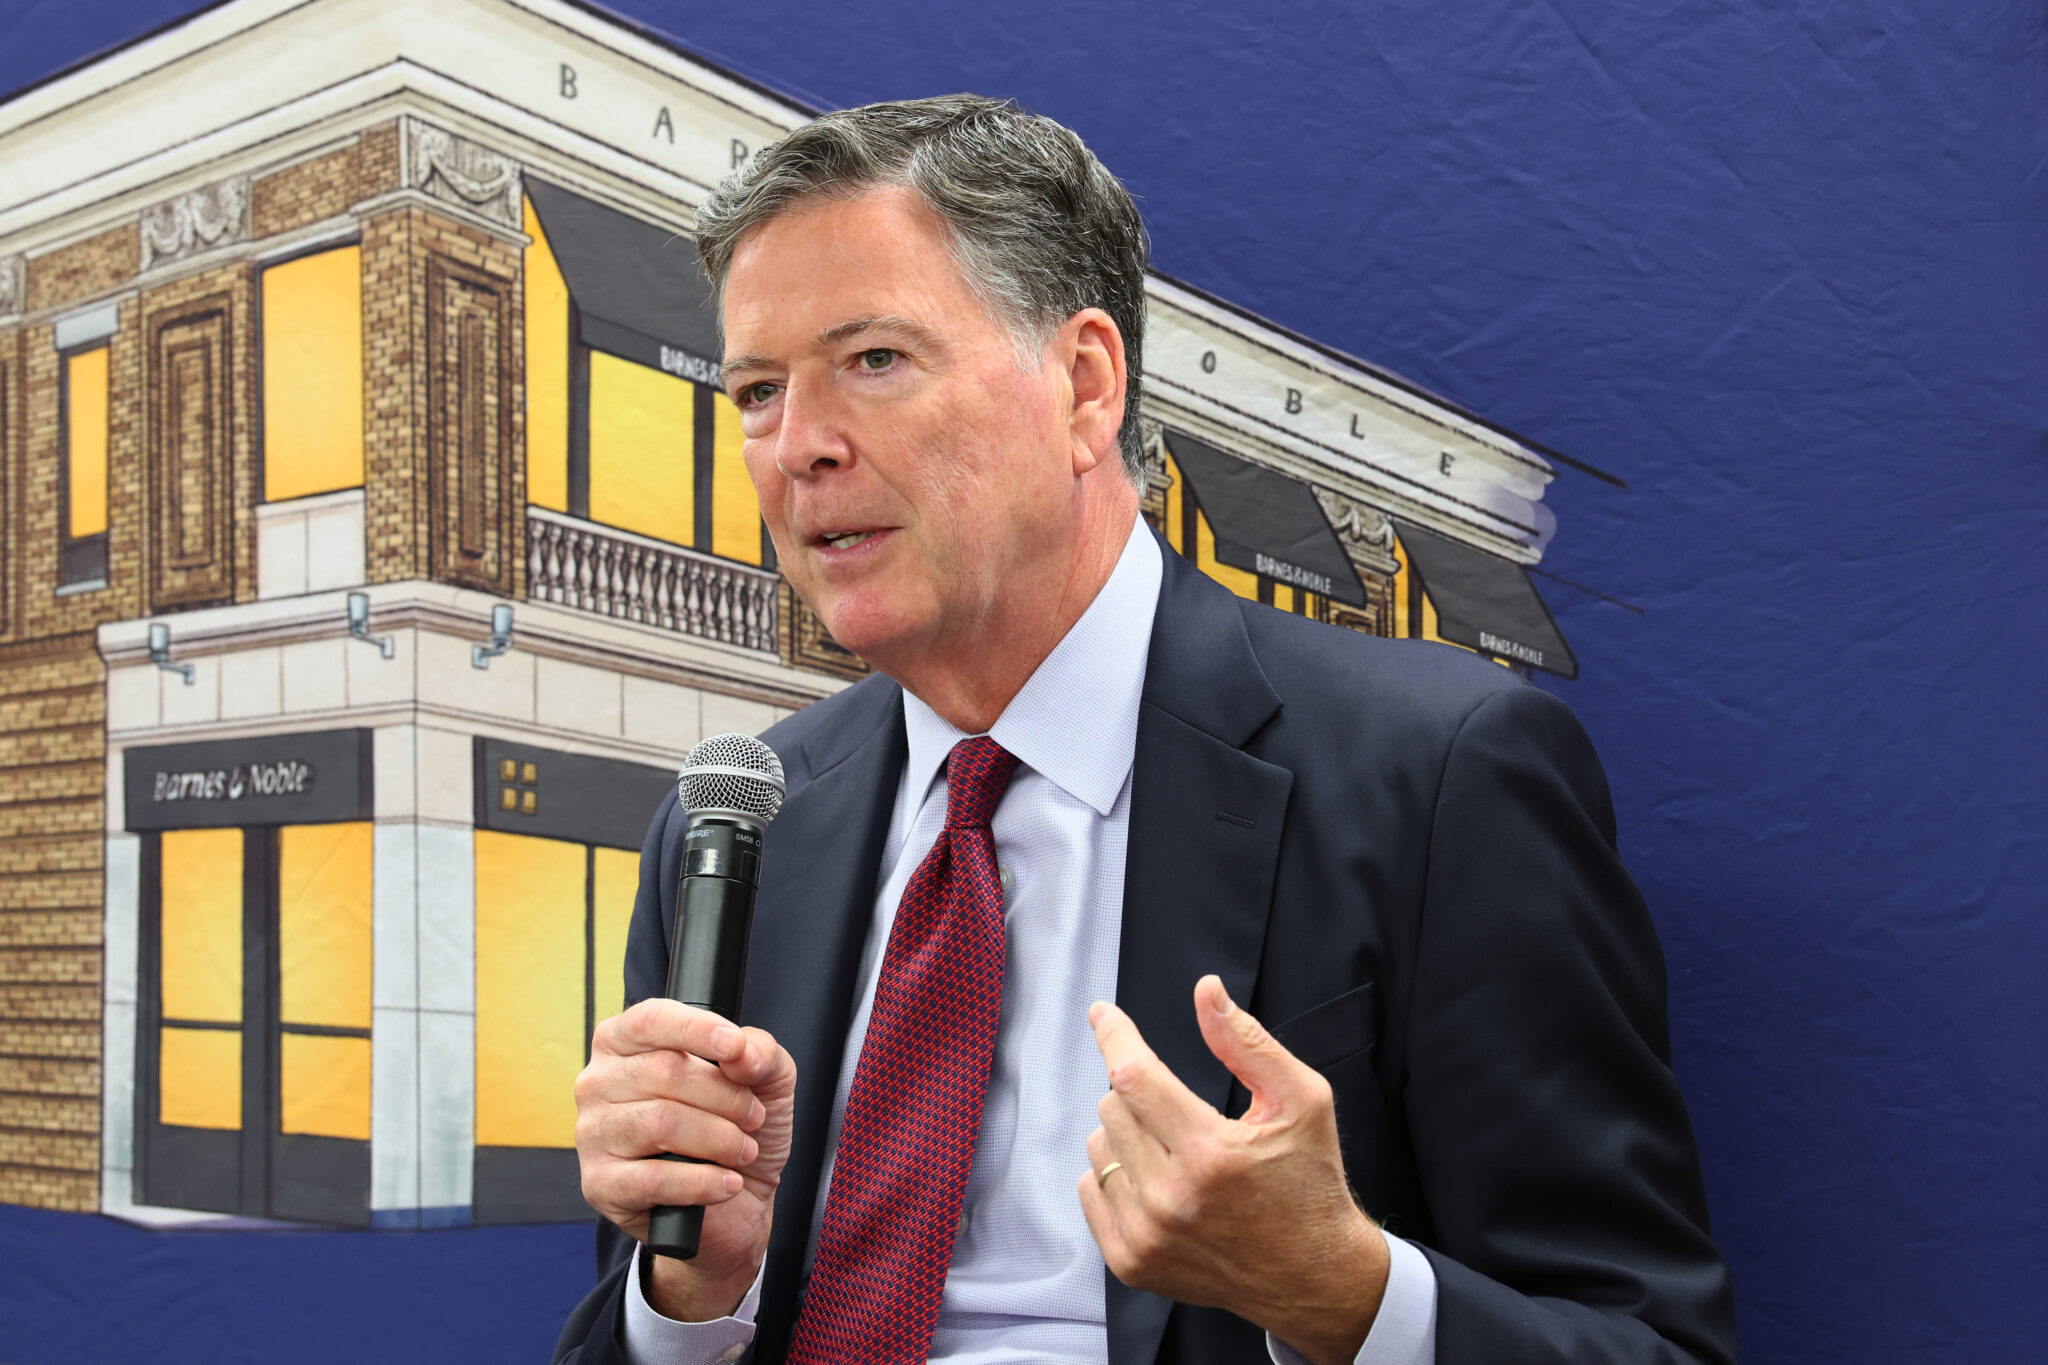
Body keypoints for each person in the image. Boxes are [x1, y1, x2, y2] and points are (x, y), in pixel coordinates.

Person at [554, 95, 1737, 1365]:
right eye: (755, 390)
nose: (799, 447)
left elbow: (1645, 1344)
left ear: (1083, 384)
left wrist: (1339, 1291)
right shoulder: (737, 820)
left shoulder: (1435, 777)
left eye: (875, 361)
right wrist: (695, 1298)